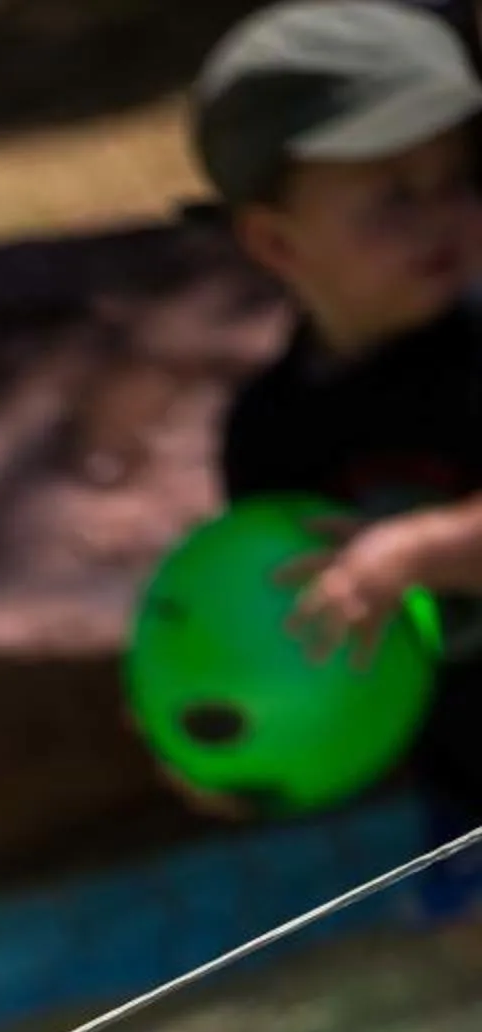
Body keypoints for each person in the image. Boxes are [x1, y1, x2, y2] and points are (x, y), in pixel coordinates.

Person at [191, 0, 482, 830]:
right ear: (277, 244)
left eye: (456, 180)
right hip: (463, 805)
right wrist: (226, 735)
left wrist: (422, 549)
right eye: (393, 198)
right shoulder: (272, 432)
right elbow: (292, 632)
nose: (441, 216)